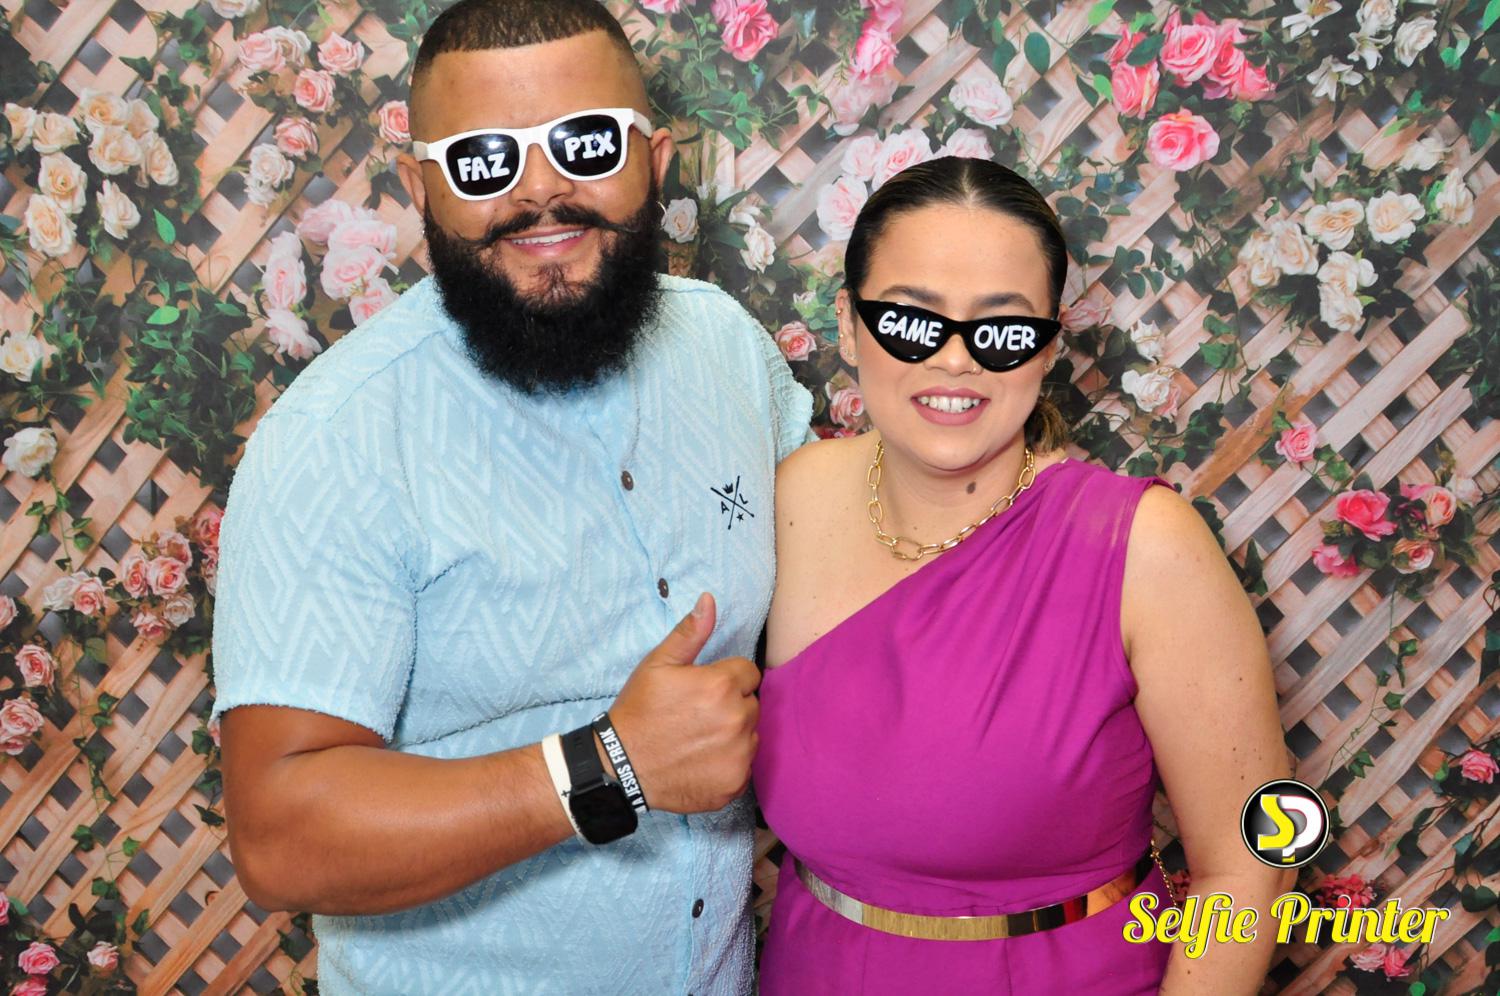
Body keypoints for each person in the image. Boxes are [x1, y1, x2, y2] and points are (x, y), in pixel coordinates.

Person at [210, 1, 810, 993]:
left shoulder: (728, 350)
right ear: (420, 188)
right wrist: (608, 766)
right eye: (484, 160)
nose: (541, 193)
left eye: (586, 144)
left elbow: (832, 580)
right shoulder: (336, 439)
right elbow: (279, 839)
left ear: (655, 159)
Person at [752, 157, 1294, 993]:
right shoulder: (789, 500)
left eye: (1001, 329)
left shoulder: (1146, 548)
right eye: (911, 319)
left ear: (1047, 349)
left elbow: (1252, 862)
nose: (955, 360)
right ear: (850, 325)